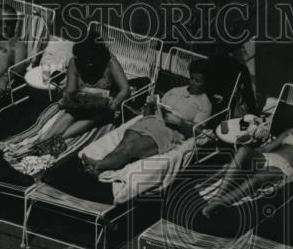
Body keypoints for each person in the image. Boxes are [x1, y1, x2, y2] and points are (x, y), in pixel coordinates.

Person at [202, 99, 293, 218]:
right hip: (268, 157)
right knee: (243, 150)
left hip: (284, 168)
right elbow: (266, 148)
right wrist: (248, 155)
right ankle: (219, 194)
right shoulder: (292, 131)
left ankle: (220, 203)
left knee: (257, 178)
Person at [82, 60, 212, 176]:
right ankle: (100, 169)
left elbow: (197, 132)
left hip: (168, 132)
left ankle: (97, 165)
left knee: (131, 148)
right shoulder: (176, 90)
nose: (193, 83)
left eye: (198, 81)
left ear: (206, 83)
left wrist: (179, 122)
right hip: (150, 121)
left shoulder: (204, 104)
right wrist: (150, 107)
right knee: (122, 146)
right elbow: (156, 108)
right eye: (192, 78)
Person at [40, 29, 131, 145]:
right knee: (70, 114)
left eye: (92, 59)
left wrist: (114, 104)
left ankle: (55, 140)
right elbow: (70, 90)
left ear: (99, 54)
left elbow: (125, 89)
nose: (89, 63)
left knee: (92, 118)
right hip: (83, 99)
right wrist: (72, 98)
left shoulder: (110, 61)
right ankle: (41, 140)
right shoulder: (75, 62)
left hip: (105, 104)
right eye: (85, 60)